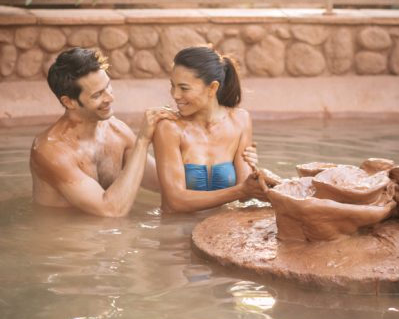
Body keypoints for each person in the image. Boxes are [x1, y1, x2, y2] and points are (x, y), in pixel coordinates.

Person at [30, 47, 259, 217]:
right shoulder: (51, 151)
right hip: (64, 246)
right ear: (69, 102)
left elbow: (167, 183)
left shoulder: (116, 131)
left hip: (109, 245)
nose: (110, 98)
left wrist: (236, 161)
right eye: (97, 94)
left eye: (108, 86)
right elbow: (111, 210)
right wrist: (142, 140)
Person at [153, 46, 266, 213]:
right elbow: (175, 201)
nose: (175, 95)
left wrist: (255, 174)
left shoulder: (240, 121)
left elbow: (245, 196)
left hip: (223, 229)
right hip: (176, 232)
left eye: (184, 88)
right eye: (173, 86)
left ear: (212, 88)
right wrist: (242, 190)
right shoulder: (169, 128)